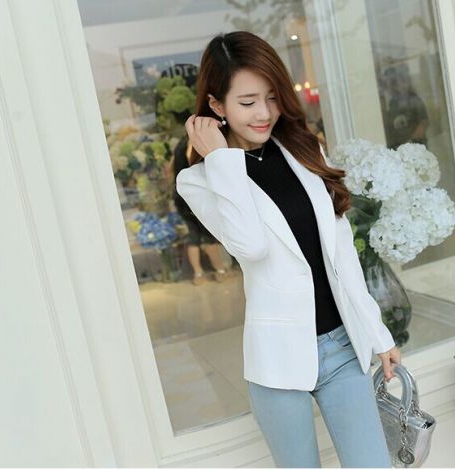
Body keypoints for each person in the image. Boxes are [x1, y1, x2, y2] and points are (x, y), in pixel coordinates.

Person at [175, 31, 401, 468]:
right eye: (247, 102)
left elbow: (342, 254)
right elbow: (251, 246)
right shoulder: (200, 180)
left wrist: (378, 333)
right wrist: (221, 159)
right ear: (216, 106)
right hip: (277, 362)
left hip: (341, 347)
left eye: (272, 97)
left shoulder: (304, 149)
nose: (264, 113)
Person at [172, 133, 231, 285]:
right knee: (208, 236)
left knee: (194, 236)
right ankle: (220, 271)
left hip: (182, 195)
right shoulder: (192, 144)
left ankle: (198, 273)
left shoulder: (180, 146)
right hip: (195, 194)